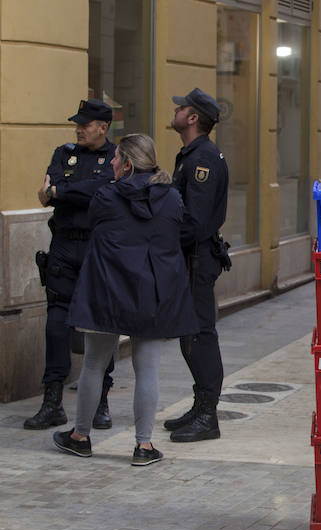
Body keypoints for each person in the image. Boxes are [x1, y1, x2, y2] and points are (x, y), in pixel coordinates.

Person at [51, 133, 198, 465]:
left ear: (128, 163)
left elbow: (95, 224)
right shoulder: (171, 198)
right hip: (152, 293)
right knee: (147, 370)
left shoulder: (105, 196)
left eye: (117, 158)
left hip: (107, 291)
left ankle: (80, 436)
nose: (112, 163)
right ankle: (143, 446)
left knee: (92, 365)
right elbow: (178, 233)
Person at [26, 99, 117, 431]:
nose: (78, 129)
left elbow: (104, 190)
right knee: (55, 325)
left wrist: (62, 191)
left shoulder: (115, 158)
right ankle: (52, 402)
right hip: (63, 246)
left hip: (97, 247)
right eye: (77, 124)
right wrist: (63, 192)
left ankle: (100, 403)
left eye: (85, 124)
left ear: (102, 127)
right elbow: (50, 190)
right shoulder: (62, 153)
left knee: (100, 325)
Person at [163, 88, 230, 443]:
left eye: (181, 106)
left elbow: (196, 221)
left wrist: (162, 242)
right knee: (191, 335)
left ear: (192, 118)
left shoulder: (203, 159)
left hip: (197, 257)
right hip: (191, 257)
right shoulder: (191, 154)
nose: (175, 109)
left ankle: (208, 415)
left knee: (200, 335)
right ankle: (200, 405)